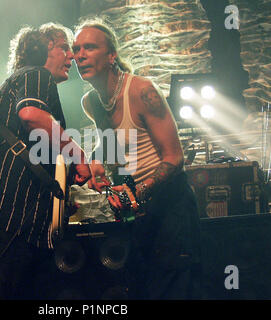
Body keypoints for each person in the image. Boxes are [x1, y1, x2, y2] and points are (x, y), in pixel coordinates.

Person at [0, 23, 91, 300]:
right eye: (65, 47)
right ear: (46, 46)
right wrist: (79, 155)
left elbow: (35, 149)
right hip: (1, 217)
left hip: (5, 219)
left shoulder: (21, 83)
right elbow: (31, 115)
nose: (71, 57)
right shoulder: (35, 74)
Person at [73, 18, 202, 299]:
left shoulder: (142, 91)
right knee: (139, 288)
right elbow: (112, 147)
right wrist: (95, 161)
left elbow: (174, 157)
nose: (79, 55)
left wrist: (137, 192)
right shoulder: (91, 102)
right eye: (76, 49)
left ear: (111, 56)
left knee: (172, 289)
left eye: (90, 47)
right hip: (135, 210)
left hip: (171, 206)